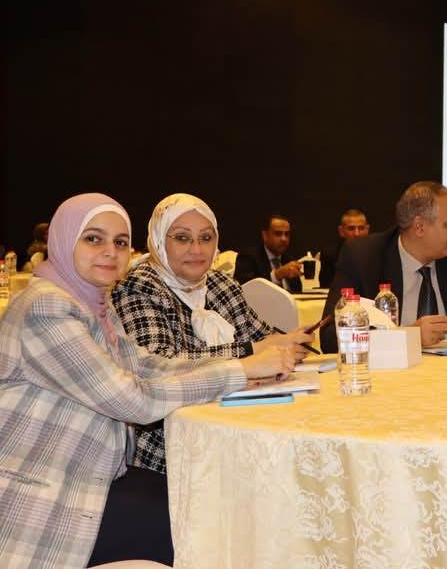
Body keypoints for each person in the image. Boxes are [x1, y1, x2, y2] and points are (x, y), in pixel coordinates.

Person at [0, 194, 294, 569]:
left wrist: (243, 371)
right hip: (46, 493)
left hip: (97, 474)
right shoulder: (46, 308)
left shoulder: (92, 304)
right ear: (63, 240)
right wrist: (239, 370)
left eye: (121, 242)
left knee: (212, 503)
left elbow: (146, 364)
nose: (110, 252)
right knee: (204, 525)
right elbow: (133, 400)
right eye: (93, 238)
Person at [112, 193, 311, 474]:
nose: (196, 249)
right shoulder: (139, 287)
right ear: (158, 241)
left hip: (240, 419)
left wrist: (288, 346)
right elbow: (158, 367)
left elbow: (261, 337)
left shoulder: (220, 284)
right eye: (182, 238)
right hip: (173, 443)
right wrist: (250, 354)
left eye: (206, 238)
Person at [320, 182, 447, 349]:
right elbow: (330, 337)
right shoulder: (364, 258)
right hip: (390, 378)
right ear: (419, 227)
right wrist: (407, 337)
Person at [234, 214, 303, 292]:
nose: (284, 239)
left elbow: (298, 291)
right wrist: (276, 275)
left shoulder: (289, 260)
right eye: (278, 234)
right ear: (265, 235)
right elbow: (247, 290)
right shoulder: (248, 257)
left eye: (287, 234)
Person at [319, 209, 370, 287]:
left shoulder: (378, 253)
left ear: (367, 229)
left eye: (361, 228)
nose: (357, 233)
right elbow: (326, 286)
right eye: (351, 229)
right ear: (341, 231)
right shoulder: (330, 254)